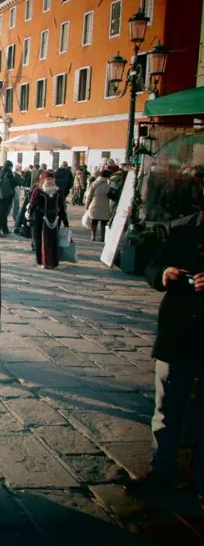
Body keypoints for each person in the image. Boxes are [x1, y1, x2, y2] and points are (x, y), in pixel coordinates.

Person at [127, 215, 204, 502]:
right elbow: (152, 267)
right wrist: (164, 273)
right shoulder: (183, 231)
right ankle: (161, 472)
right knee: (167, 408)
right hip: (178, 335)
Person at [28, 171, 69, 269]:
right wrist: (29, 217)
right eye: (47, 179)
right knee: (41, 240)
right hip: (40, 218)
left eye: (51, 179)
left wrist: (65, 220)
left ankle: (53, 262)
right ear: (43, 180)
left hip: (55, 218)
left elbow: (62, 207)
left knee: (53, 240)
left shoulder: (58, 192)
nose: (49, 181)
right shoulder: (38, 191)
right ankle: (42, 261)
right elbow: (33, 205)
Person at [85, 169, 112, 242]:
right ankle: (102, 237)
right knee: (104, 222)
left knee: (94, 221)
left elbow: (89, 196)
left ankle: (93, 236)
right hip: (106, 205)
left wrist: (87, 206)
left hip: (95, 204)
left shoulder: (94, 183)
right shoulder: (109, 184)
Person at [0, 160, 20, 236]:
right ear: (10, 166)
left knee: (2, 213)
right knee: (2, 214)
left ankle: (5, 229)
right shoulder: (8, 173)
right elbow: (15, 183)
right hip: (6, 197)